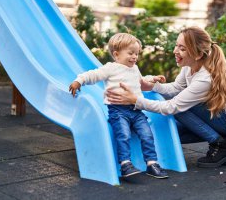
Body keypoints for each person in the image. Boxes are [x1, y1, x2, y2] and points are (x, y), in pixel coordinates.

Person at [106, 27, 226, 168]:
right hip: (219, 114)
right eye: (177, 46)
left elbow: (172, 107)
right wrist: (151, 86)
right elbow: (176, 88)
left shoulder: (204, 78)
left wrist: (135, 100)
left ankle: (221, 144)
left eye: (182, 49)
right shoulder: (189, 66)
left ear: (198, 55)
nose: (175, 51)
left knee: (179, 108)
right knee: (171, 133)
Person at [69, 33, 168, 179]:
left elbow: (141, 82)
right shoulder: (111, 68)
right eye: (130, 53)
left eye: (137, 53)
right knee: (124, 135)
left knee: (147, 134)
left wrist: (153, 79)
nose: (135, 57)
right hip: (118, 111)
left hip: (136, 110)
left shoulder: (135, 68)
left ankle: (152, 163)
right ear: (116, 54)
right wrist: (79, 81)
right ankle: (125, 164)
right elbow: (93, 74)